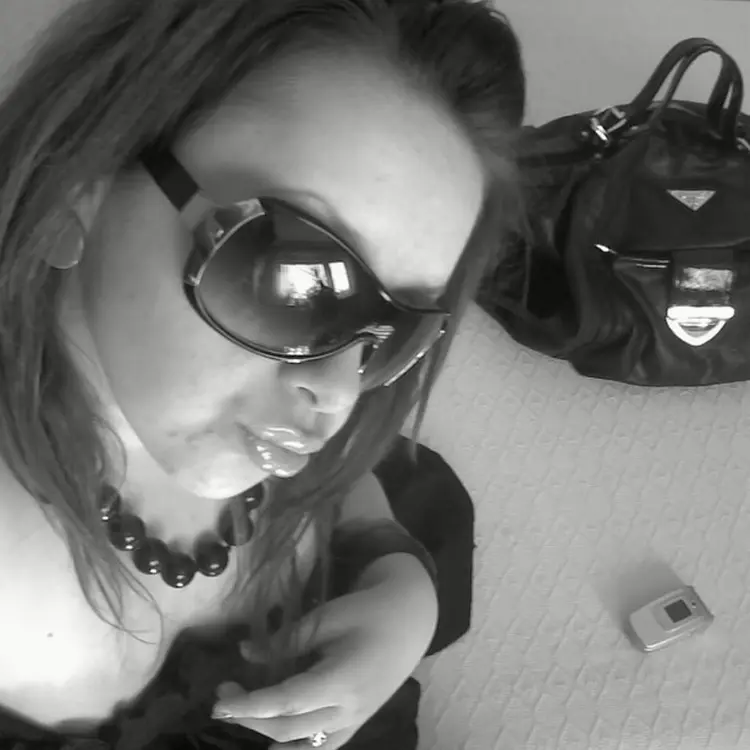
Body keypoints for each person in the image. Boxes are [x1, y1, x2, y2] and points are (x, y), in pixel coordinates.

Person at [0, 0, 526, 747]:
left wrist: (399, 582)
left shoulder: (247, 418)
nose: (339, 392)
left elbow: (333, 488)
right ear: (77, 184)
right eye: (294, 279)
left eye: (394, 328)